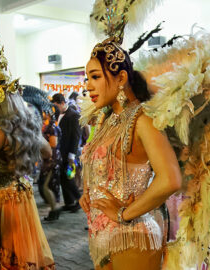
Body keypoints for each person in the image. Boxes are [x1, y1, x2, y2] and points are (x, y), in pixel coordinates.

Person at [79, 37, 182, 270]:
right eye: (88, 78)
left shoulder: (142, 119)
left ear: (121, 78)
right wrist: (89, 192)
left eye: (95, 77)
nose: (88, 86)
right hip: (101, 238)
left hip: (134, 237)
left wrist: (125, 214)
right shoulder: (106, 119)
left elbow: (171, 179)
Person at [0, 44, 55, 269]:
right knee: (27, 248)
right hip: (24, 194)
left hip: (4, 200)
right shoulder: (29, 125)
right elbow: (48, 152)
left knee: (8, 250)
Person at [51, 93, 82, 212]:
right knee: (63, 177)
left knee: (69, 177)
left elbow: (75, 137)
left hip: (69, 152)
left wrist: (71, 155)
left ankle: (79, 200)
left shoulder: (74, 115)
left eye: (56, 106)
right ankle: (69, 202)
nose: (55, 109)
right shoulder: (57, 114)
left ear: (62, 103)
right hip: (59, 151)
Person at [41, 104, 62, 221]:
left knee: (46, 186)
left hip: (52, 160)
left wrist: (41, 142)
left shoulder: (52, 128)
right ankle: (54, 209)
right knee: (47, 186)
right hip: (49, 160)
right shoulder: (49, 126)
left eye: (45, 112)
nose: (43, 113)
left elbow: (53, 144)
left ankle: (55, 209)